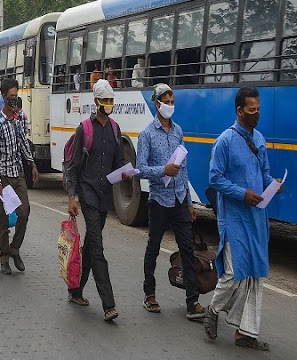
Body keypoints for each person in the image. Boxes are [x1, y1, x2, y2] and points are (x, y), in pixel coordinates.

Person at [204, 87, 281, 351]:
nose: (256, 114)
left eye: (258, 109)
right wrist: (241, 193)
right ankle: (213, 309)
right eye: (252, 110)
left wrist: (274, 184)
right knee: (235, 273)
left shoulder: (259, 138)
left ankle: (245, 333)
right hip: (234, 218)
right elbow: (214, 178)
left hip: (257, 218)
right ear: (239, 111)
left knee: (255, 274)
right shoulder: (224, 140)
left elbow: (265, 172)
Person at [136, 83, 206, 320]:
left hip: (178, 199)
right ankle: (149, 294)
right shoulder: (147, 134)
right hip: (158, 200)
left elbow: (183, 168)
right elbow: (141, 169)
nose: (170, 106)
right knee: (152, 248)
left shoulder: (178, 131)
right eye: (166, 102)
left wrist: (188, 203)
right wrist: (162, 170)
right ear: (157, 104)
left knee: (187, 249)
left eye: (172, 101)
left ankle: (192, 301)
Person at [66, 79, 129, 322]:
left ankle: (75, 289)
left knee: (91, 246)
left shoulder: (115, 129)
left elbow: (118, 163)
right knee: (98, 247)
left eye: (111, 100)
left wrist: (125, 173)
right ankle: (109, 304)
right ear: (96, 102)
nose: (108, 105)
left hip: (105, 197)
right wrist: (72, 197)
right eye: (105, 101)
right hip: (88, 194)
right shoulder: (84, 129)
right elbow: (73, 167)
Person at [0, 78, 39, 275]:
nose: (14, 100)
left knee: (24, 212)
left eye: (15, 96)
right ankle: (4, 258)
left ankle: (14, 248)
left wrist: (32, 163)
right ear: (3, 98)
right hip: (4, 177)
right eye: (11, 97)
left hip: (18, 173)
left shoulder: (18, 119)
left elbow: (22, 143)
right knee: (3, 219)